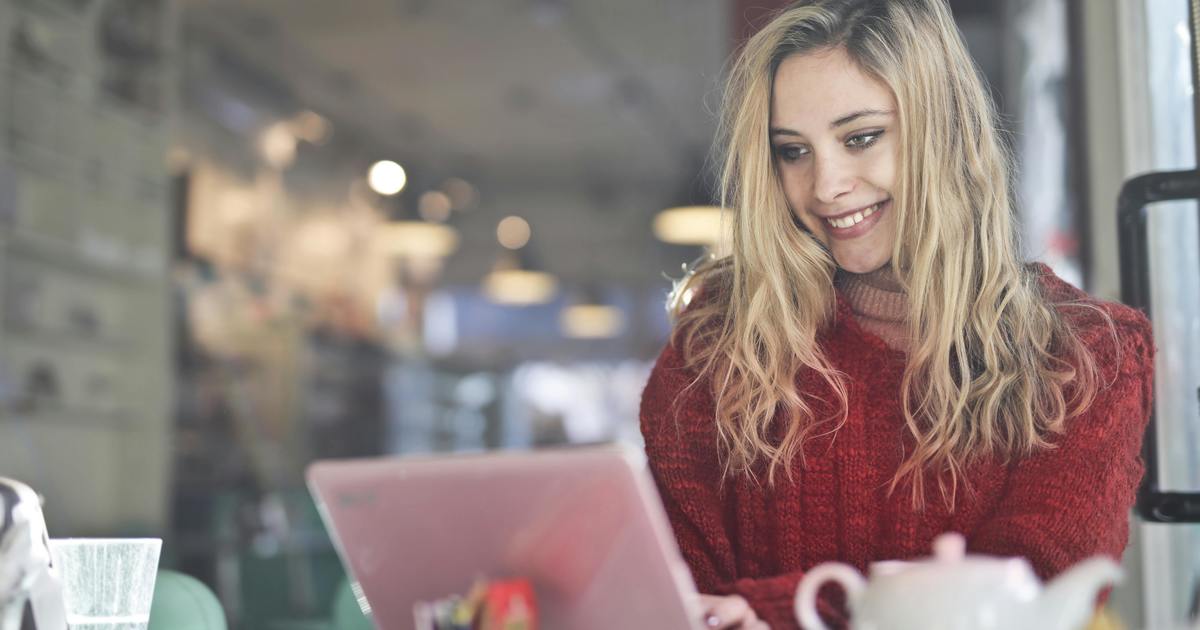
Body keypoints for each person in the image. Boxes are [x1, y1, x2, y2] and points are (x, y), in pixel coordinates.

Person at [638, 1, 1156, 629]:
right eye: (793, 151)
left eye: (860, 138)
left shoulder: (1088, 354)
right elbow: (677, 599)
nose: (825, 186)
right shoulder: (719, 344)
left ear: (944, 130)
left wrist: (782, 613)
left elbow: (1025, 599)